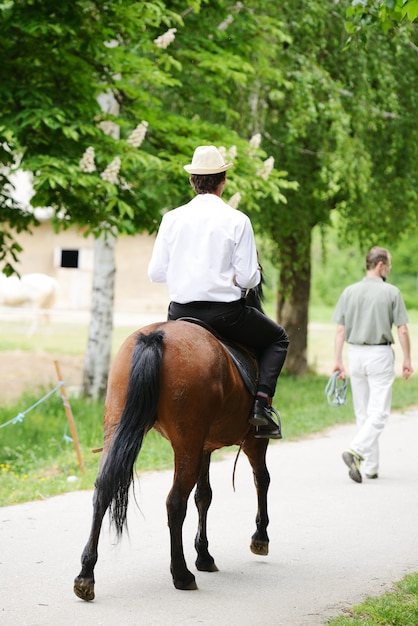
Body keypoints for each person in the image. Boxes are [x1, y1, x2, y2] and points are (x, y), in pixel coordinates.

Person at [148, 145, 289, 438]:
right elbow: (250, 278)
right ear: (223, 180)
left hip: (179, 315)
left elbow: (156, 273)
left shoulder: (171, 219)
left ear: (192, 181)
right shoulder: (238, 220)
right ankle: (262, 406)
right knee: (279, 338)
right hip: (225, 316)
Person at [332, 246, 413, 482]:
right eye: (389, 264)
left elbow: (340, 330)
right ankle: (355, 450)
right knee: (379, 412)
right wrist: (407, 359)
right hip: (379, 354)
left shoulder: (349, 292)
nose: (389, 269)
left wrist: (337, 360)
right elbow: (403, 329)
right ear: (380, 265)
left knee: (363, 412)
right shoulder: (391, 292)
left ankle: (371, 467)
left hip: (355, 354)